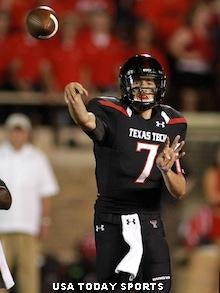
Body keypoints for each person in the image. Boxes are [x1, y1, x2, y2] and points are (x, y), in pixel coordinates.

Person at [64, 54, 187, 292]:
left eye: (149, 83)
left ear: (159, 86)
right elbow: (86, 121)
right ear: (126, 85)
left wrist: (164, 170)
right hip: (113, 217)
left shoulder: (173, 122)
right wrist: (73, 97)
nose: (144, 89)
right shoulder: (113, 112)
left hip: (149, 217)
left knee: (160, 287)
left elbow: (179, 190)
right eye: (138, 82)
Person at [0, 113, 59, 293]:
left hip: (28, 228)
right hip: (2, 228)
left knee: (29, 280)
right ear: (8, 133)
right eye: (14, 131)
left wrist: (45, 221)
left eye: (21, 131)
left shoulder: (37, 159)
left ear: (27, 134)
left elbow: (46, 193)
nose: (17, 135)